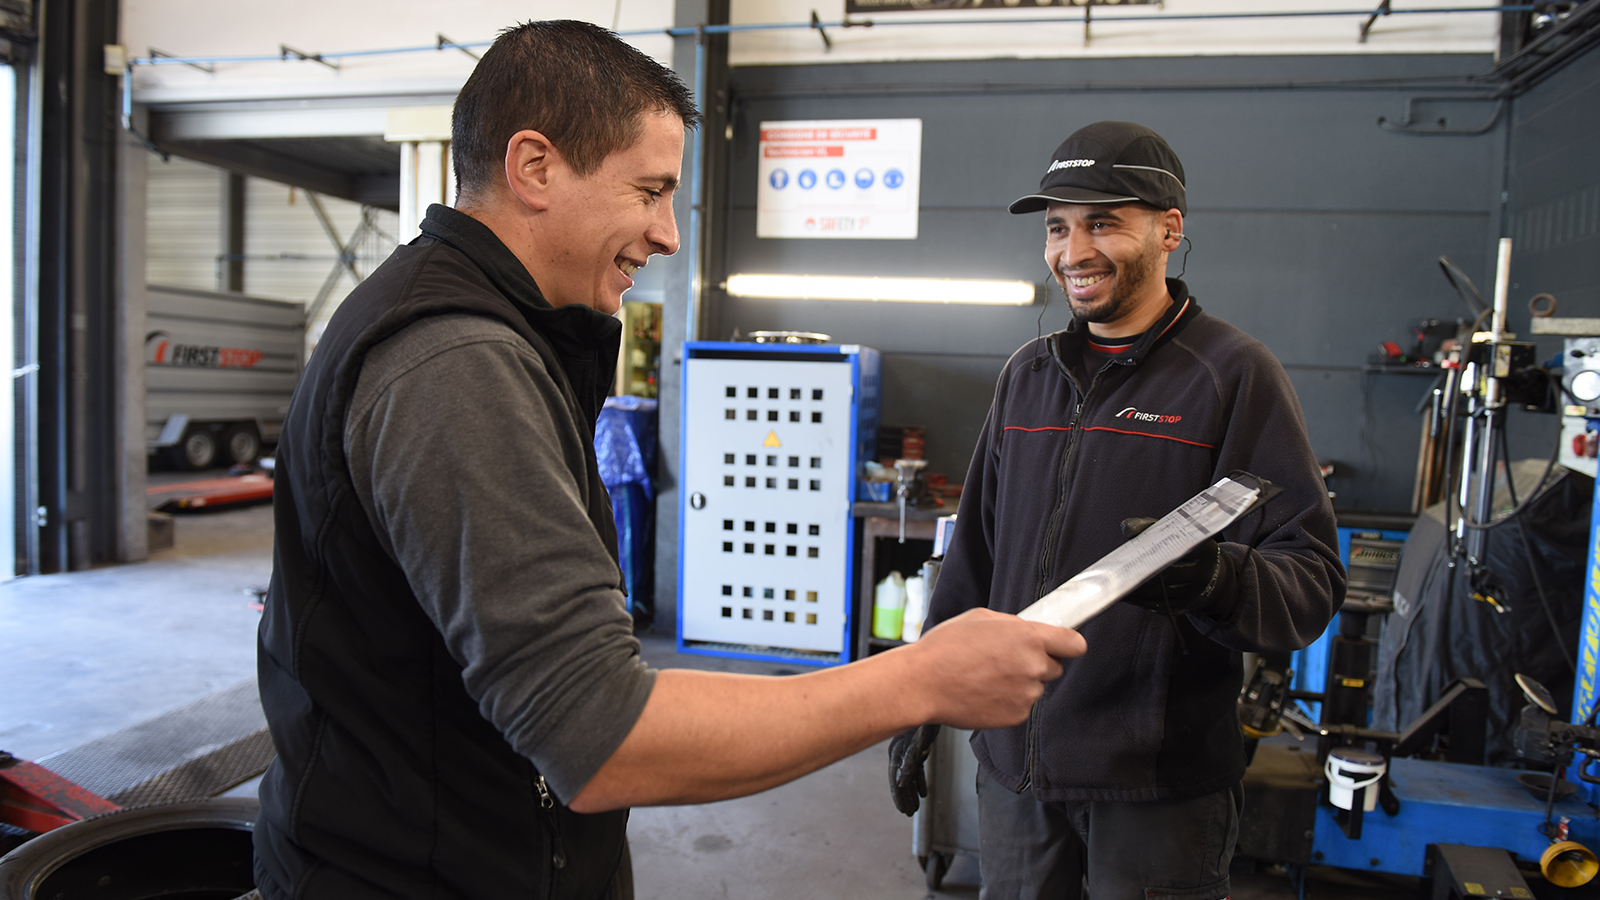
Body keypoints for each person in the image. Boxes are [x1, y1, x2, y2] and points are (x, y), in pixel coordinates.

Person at [252, 20, 1086, 900]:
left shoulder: (500, 335)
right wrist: (921, 679)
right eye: (649, 191)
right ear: (534, 167)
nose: (668, 236)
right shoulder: (457, 364)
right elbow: (599, 733)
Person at [914, 121, 1345, 900]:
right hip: (1016, 771)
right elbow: (974, 559)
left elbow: (1311, 578)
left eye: (1103, 222)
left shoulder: (1232, 375)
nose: (1073, 251)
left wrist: (1218, 580)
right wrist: (921, 692)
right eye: (1057, 227)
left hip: (1157, 788)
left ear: (1169, 230)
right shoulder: (1028, 376)